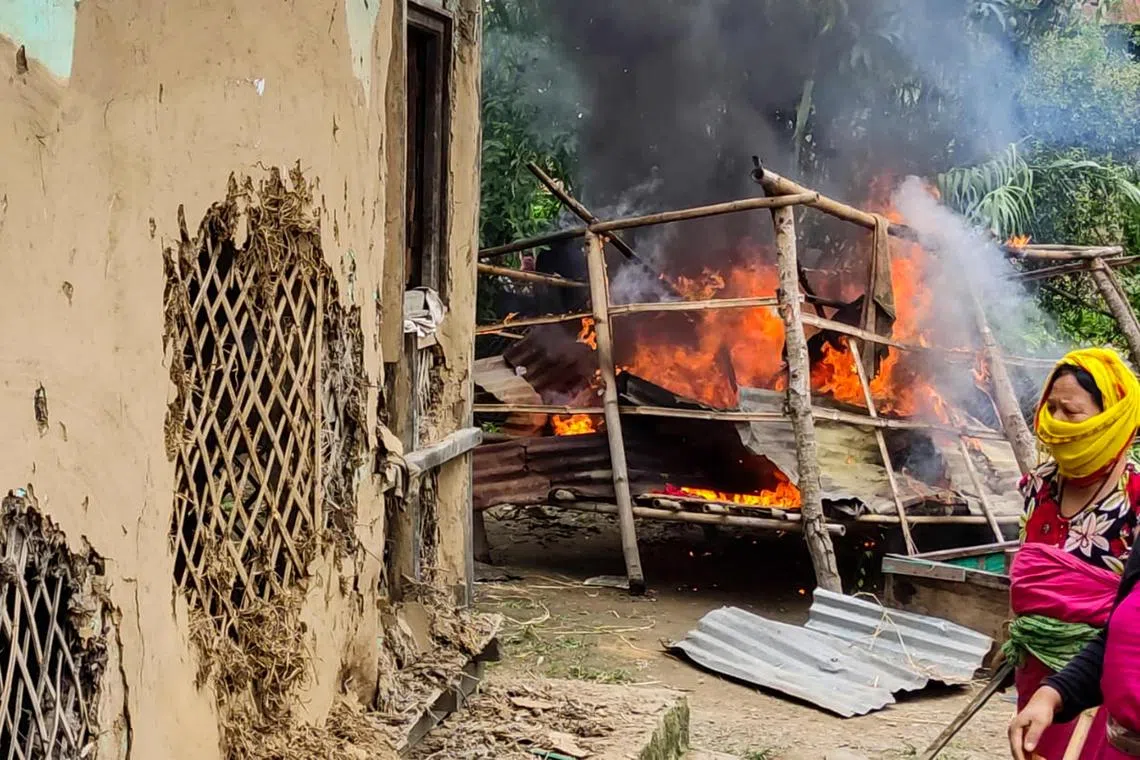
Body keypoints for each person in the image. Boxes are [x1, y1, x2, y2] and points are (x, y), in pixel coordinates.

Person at [1006, 348, 1140, 760]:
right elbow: (1028, 574)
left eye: (1072, 411)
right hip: (1041, 676)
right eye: (1052, 408)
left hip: (1109, 685)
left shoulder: (1135, 498)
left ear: (1111, 417)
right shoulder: (1037, 485)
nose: (1058, 422)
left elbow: (1126, 614)